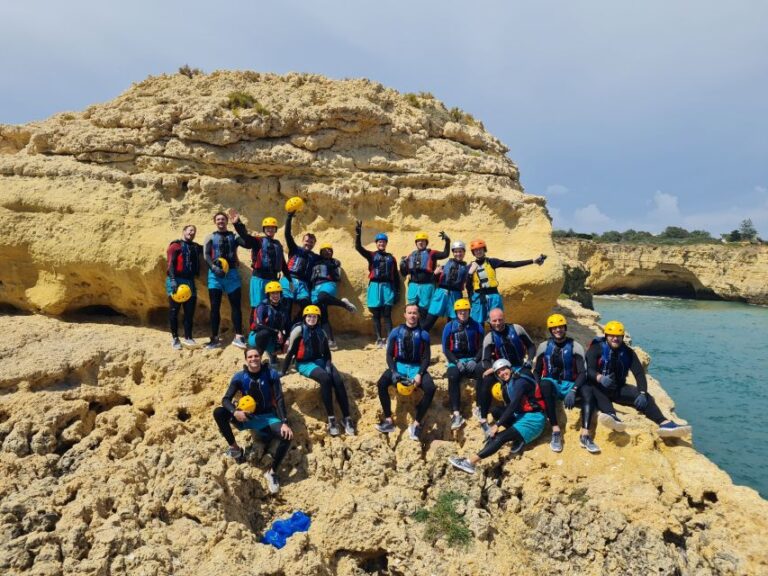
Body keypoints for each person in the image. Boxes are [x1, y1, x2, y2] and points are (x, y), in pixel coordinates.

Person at [587, 321, 692, 438]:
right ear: (606, 336)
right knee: (595, 390)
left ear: (622, 337)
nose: (615, 338)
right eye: (612, 336)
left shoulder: (628, 352)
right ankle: (611, 416)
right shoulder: (596, 348)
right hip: (597, 386)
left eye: (618, 336)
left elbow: (639, 373)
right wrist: (600, 378)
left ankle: (665, 424)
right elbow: (589, 369)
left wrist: (642, 393)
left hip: (617, 389)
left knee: (646, 396)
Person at [212, 347, 293, 494]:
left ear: (260, 357)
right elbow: (225, 400)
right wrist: (235, 412)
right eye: (250, 357)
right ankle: (235, 449)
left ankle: (271, 472)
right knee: (218, 412)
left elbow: (280, 398)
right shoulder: (239, 377)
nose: (253, 359)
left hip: (268, 417)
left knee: (287, 436)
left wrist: (285, 422)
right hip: (247, 417)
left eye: (256, 356)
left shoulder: (271, 374)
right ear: (246, 360)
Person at [448, 358, 547, 475]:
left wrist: (497, 425)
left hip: (533, 420)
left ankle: (469, 463)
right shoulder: (508, 383)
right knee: (496, 410)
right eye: (498, 372)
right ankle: (517, 438)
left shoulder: (520, 382)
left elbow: (513, 405)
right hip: (522, 415)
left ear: (510, 368)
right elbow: (510, 407)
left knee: (499, 438)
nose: (502, 373)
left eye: (504, 369)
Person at [282, 305, 355, 436]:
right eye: (309, 316)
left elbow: (327, 353)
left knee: (338, 380)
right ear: (304, 317)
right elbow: (291, 352)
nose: (311, 319)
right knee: (325, 379)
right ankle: (331, 418)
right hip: (304, 363)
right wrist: (283, 371)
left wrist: (328, 364)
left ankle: (347, 418)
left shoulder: (322, 331)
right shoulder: (299, 330)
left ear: (318, 318)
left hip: (320, 361)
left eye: (314, 316)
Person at [534, 314, 600, 454]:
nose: (558, 330)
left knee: (588, 390)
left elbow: (583, 373)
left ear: (565, 328)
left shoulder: (575, 346)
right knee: (544, 385)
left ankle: (585, 434)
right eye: (554, 328)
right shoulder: (544, 347)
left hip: (570, 384)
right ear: (550, 330)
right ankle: (556, 431)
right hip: (551, 382)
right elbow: (537, 371)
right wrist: (537, 386)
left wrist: (574, 390)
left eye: (560, 327)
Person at [375, 304, 436, 440]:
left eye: (415, 313)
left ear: (418, 315)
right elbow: (389, 355)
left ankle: (417, 424)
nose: (412, 315)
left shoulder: (424, 334)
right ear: (405, 315)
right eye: (410, 313)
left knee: (431, 388)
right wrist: (394, 371)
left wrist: (420, 374)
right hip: (399, 366)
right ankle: (389, 421)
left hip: (416, 367)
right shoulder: (396, 332)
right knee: (381, 383)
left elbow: (426, 357)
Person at [477, 308, 536, 436]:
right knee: (486, 380)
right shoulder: (489, 337)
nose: (497, 323)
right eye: (494, 320)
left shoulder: (517, 329)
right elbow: (485, 360)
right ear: (490, 322)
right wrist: (494, 369)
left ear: (504, 318)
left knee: (530, 381)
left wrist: (530, 360)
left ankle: (531, 412)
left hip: (519, 366)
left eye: (500, 319)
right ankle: (483, 417)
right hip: (501, 369)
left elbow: (531, 346)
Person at [467, 239, 546, 325]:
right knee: (477, 323)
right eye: (476, 250)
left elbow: (512, 264)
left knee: (496, 321)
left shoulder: (492, 262)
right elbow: (468, 285)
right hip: (479, 297)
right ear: (473, 252)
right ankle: (480, 338)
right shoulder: (470, 266)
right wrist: (470, 273)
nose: (478, 251)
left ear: (484, 250)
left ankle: (496, 337)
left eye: (480, 249)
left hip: (493, 295)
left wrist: (533, 261)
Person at [229, 209, 291, 310]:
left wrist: (289, 279)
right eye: (267, 228)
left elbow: (282, 263)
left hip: (273, 279)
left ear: (275, 229)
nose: (270, 230)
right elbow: (246, 237)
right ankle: (255, 326)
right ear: (264, 229)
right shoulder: (258, 241)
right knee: (257, 307)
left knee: (273, 307)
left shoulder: (278, 244)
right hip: (259, 279)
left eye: (272, 228)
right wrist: (237, 223)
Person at [203, 212, 247, 349]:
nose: (220, 221)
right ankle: (214, 338)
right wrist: (214, 268)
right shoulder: (210, 237)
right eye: (218, 219)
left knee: (236, 306)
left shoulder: (233, 236)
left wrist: (238, 224)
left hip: (232, 274)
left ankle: (239, 336)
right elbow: (206, 255)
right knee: (214, 307)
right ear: (215, 222)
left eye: (223, 219)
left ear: (227, 221)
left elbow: (246, 243)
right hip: (215, 275)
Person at [354, 221, 400, 347]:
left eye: (383, 242)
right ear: (376, 243)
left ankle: (390, 338)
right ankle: (379, 338)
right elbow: (359, 248)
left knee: (387, 314)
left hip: (387, 287)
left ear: (386, 243)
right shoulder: (372, 255)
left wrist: (397, 291)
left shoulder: (392, 258)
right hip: (375, 286)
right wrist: (358, 234)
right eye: (379, 242)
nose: (381, 243)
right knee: (376, 314)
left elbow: (395, 276)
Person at [442, 298, 484, 430]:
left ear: (469, 311)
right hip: (457, 360)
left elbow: (483, 346)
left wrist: (475, 360)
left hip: (472, 359)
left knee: (482, 372)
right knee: (453, 375)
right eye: (460, 311)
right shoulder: (449, 327)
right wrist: (455, 362)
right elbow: (446, 349)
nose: (463, 313)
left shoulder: (477, 326)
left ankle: (480, 406)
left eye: (465, 310)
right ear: (456, 312)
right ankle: (456, 413)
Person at [309, 243, 357, 350]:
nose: (328, 252)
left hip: (328, 284)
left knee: (322, 297)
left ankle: (344, 304)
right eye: (325, 250)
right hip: (315, 287)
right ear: (320, 252)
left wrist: (332, 263)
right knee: (320, 313)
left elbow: (336, 272)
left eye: (330, 250)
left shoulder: (334, 262)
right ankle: (331, 341)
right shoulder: (315, 261)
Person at [399, 231, 451, 324]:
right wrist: (402, 264)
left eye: (423, 241)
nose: (421, 242)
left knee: (424, 310)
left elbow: (445, 254)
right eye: (418, 241)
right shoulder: (411, 255)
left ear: (426, 243)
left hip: (427, 285)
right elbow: (404, 273)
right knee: (411, 308)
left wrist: (447, 241)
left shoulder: (432, 253)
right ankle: (411, 328)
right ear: (416, 243)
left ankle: (422, 330)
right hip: (413, 285)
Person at [166, 224, 202, 349]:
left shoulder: (196, 247)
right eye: (190, 230)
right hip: (176, 279)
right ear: (184, 231)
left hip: (189, 281)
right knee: (174, 310)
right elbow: (170, 263)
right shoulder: (175, 246)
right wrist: (172, 279)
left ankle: (188, 337)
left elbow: (208, 250)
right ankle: (175, 338)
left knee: (189, 311)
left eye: (194, 231)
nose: (192, 233)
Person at [421, 240, 471, 332]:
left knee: (453, 321)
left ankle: (451, 341)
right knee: (430, 319)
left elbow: (468, 284)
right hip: (441, 293)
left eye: (460, 251)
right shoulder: (445, 263)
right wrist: (435, 274)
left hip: (456, 295)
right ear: (453, 253)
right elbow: (434, 279)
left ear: (464, 252)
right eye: (456, 251)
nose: (458, 254)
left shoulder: (466, 268)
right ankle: (420, 339)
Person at [280, 210, 317, 324]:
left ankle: (295, 324)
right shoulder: (294, 249)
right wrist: (289, 217)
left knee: (307, 306)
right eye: (307, 241)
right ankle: (285, 332)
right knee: (287, 306)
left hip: (303, 284)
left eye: (311, 242)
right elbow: (287, 234)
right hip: (289, 279)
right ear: (302, 241)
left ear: (314, 244)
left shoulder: (315, 257)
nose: (308, 244)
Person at [247, 281, 289, 365]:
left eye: (277, 293)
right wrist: (276, 332)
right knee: (264, 333)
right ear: (268, 294)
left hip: (273, 338)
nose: (275, 295)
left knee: (287, 338)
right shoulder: (262, 306)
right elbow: (259, 325)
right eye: (272, 293)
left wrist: (287, 340)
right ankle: (258, 359)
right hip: (257, 337)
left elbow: (288, 326)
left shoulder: (283, 308)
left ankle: (273, 355)